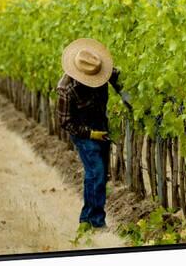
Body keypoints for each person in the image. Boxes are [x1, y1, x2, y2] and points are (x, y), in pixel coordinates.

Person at [56, 38, 130, 233]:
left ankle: (88, 218)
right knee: (95, 171)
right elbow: (65, 122)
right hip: (81, 130)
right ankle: (95, 220)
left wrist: (130, 102)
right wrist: (90, 134)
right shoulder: (66, 89)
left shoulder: (101, 70)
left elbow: (121, 83)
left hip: (101, 124)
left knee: (99, 174)